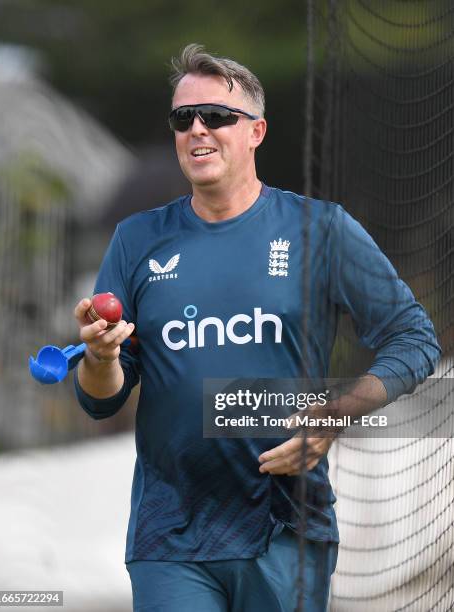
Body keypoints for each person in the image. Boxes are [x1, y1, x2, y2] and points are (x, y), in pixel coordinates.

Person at [73, 44, 441, 612]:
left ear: (256, 132)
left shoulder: (321, 229)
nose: (197, 129)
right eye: (182, 119)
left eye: (216, 116)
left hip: (288, 526)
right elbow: (102, 398)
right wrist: (99, 358)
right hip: (169, 535)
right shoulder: (137, 240)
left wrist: (334, 414)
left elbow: (414, 338)